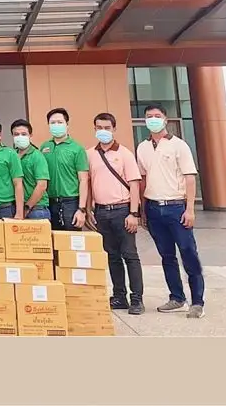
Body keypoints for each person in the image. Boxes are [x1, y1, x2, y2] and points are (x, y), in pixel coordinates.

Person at [136, 103, 204, 318]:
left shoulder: (179, 145)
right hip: (154, 208)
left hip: (176, 208)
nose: (153, 119)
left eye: (157, 116)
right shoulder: (142, 147)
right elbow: (142, 180)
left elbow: (190, 178)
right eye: (149, 116)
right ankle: (177, 297)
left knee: (188, 253)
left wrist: (190, 209)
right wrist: (142, 211)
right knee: (167, 256)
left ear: (165, 119)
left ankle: (197, 302)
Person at [86, 112, 144, 315]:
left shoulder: (125, 154)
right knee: (112, 256)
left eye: (107, 128)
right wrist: (89, 209)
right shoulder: (90, 154)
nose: (103, 131)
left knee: (130, 255)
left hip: (122, 210)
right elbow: (88, 184)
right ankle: (119, 296)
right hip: (101, 212)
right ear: (94, 129)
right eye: (99, 128)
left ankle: (137, 299)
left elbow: (134, 184)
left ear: (114, 129)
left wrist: (133, 213)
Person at [40, 108, 90, 231]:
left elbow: (83, 180)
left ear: (67, 124)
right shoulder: (44, 147)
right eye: (53, 123)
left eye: (60, 122)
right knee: (53, 239)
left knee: (72, 240)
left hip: (70, 203)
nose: (56, 125)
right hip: (50, 202)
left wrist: (81, 209)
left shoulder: (77, 149)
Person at [10, 119, 51, 220]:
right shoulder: (12, 155)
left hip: (36, 209)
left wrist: (27, 207)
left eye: (24, 134)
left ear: (30, 135)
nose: (20, 137)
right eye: (16, 134)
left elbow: (42, 185)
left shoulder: (37, 156)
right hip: (17, 207)